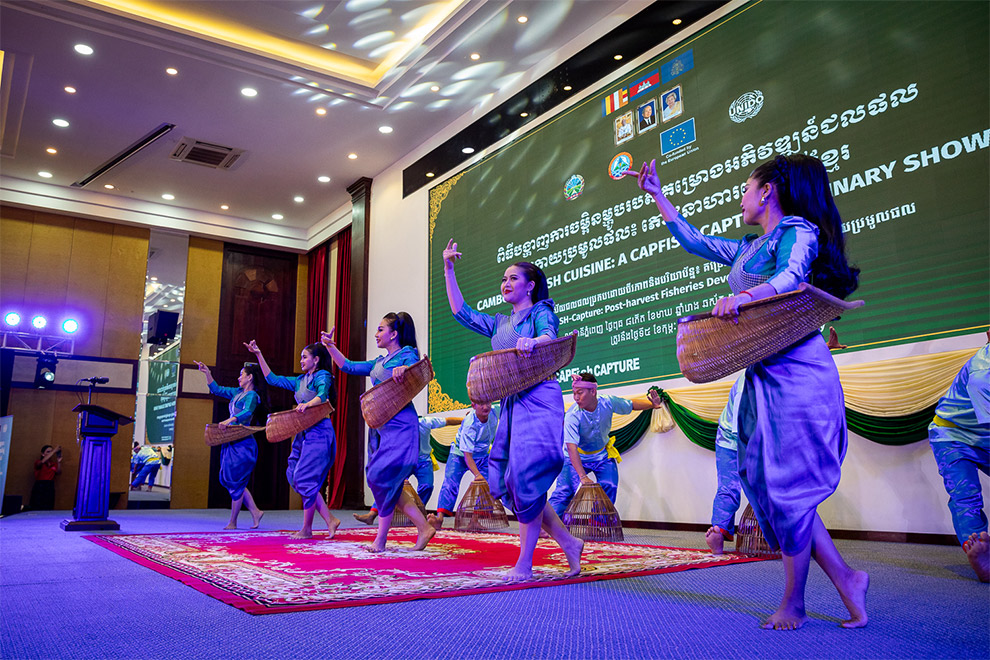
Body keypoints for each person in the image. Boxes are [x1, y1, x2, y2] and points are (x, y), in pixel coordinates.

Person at [627, 154, 867, 629]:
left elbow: (790, 277)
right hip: (764, 376)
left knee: (789, 489)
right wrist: (658, 196)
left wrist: (744, 297)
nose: (740, 197)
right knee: (773, 488)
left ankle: (794, 602)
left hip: (798, 370)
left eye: (745, 187)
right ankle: (846, 578)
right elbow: (694, 240)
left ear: (767, 191)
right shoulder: (747, 248)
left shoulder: (797, 230)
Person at [442, 240, 584, 580]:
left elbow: (550, 335)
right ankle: (569, 543)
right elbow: (461, 312)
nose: (505, 283)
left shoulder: (540, 311)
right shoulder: (499, 323)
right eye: (503, 279)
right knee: (513, 483)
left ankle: (524, 564)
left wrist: (534, 341)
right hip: (512, 403)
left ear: (530, 286)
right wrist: (448, 269)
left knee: (526, 478)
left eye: (513, 278)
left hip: (540, 398)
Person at [321, 313, 436, 553]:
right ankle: (423, 528)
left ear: (394, 334)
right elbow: (348, 366)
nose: (376, 334)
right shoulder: (378, 363)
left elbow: (414, 365)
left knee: (379, 476)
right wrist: (330, 346)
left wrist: (404, 369)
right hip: (384, 429)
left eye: (381, 329)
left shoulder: (406, 353)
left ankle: (381, 540)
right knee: (387, 482)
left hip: (402, 425)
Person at [244, 339, 341, 540]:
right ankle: (330, 519)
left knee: (305, 478)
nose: (301, 360)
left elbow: (322, 395)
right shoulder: (300, 380)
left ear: (316, 360)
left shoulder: (322, 375)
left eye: (304, 357)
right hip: (303, 432)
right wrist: (258, 354)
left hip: (319, 431)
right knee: (294, 474)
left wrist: (308, 404)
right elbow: (272, 379)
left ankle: (307, 528)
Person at [549, 373, 660, 517]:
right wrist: (582, 476)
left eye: (580, 393)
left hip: (602, 456)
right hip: (575, 457)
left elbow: (631, 405)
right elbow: (571, 447)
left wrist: (652, 404)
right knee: (564, 492)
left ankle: (598, 523)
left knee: (609, 486)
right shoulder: (572, 415)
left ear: (593, 391)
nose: (576, 397)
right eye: (574, 393)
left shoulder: (607, 402)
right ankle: (547, 525)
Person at [928, 330, 989, 582]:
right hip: (951, 434)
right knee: (965, 494)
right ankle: (980, 552)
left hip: (983, 435)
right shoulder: (982, 375)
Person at [195, 360, 268, 530]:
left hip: (243, 443)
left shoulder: (252, 395)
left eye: (241, 375)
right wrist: (207, 373)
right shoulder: (237, 393)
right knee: (233, 481)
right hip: (232, 441)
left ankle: (233, 521)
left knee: (236, 481)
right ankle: (255, 511)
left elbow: (247, 412)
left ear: (250, 377)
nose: (238, 378)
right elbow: (217, 389)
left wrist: (230, 420)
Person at [353, 415, 459, 526]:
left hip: (423, 461)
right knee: (391, 485)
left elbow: (447, 421)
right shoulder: (400, 426)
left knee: (427, 486)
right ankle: (372, 514)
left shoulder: (425, 422)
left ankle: (415, 514)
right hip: (405, 459)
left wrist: (463, 419)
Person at [429, 402, 500, 529]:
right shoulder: (470, 423)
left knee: (490, 482)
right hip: (460, 454)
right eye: (481, 404)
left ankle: (474, 520)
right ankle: (439, 519)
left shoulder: (495, 411)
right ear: (473, 406)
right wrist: (477, 475)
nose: (485, 407)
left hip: (482, 454)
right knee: (450, 483)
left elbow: (508, 404)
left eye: (487, 403)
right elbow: (467, 455)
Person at [705, 375, 745, 555]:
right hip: (731, 440)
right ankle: (718, 532)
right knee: (729, 488)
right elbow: (739, 426)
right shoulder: (748, 379)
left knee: (764, 489)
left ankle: (768, 534)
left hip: (755, 437)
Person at [30, 445, 61, 510]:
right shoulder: (38, 462)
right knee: (37, 506)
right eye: (48, 452)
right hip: (40, 486)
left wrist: (59, 462)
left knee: (48, 506)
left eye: (51, 451)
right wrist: (54, 451)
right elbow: (41, 462)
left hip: (50, 486)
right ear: (42, 454)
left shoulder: (53, 464)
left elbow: (58, 472)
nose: (50, 453)